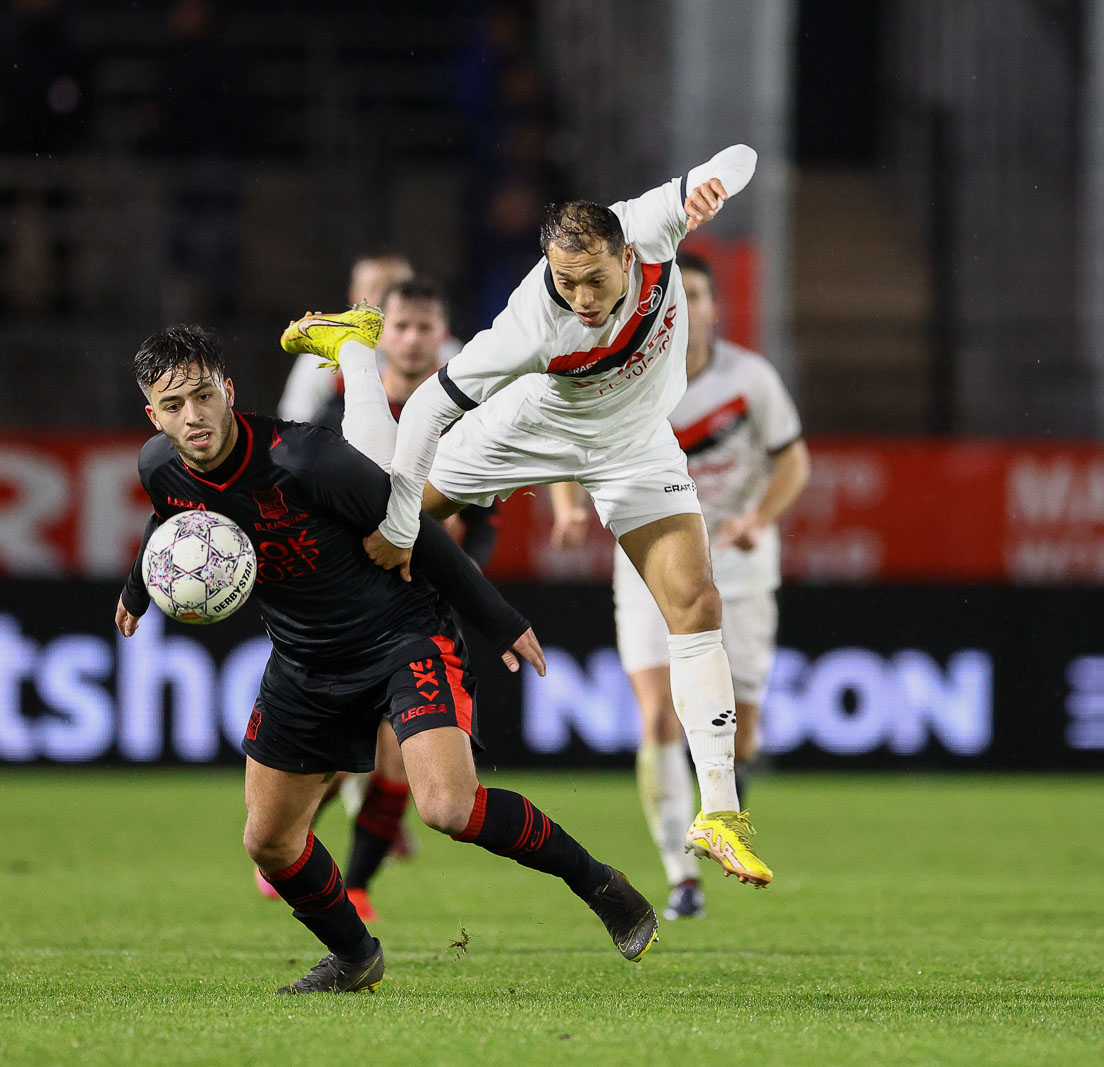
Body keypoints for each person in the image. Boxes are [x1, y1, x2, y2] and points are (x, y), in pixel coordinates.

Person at [115, 324, 657, 994]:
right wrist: (138, 588)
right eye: (174, 406)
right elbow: (170, 516)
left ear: (227, 390)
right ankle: (354, 956)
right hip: (304, 661)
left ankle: (601, 883)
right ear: (154, 415)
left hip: (401, 635)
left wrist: (499, 621)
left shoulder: (304, 458)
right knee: (269, 841)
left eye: (203, 395)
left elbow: (419, 531)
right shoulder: (157, 468)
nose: (193, 415)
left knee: (448, 807)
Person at [306, 144, 776, 887]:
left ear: (629, 254)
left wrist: (714, 186)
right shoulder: (533, 324)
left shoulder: (653, 226)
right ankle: (356, 350)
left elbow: (744, 154)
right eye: (567, 281)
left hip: (635, 446)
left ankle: (717, 812)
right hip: (531, 428)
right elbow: (429, 403)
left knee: (697, 600)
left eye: (595, 280)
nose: (582, 297)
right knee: (377, 514)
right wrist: (401, 525)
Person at [549, 251, 809, 918]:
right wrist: (568, 507)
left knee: (739, 735)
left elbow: (794, 460)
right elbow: (563, 427)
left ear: (717, 306)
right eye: (675, 294)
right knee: (659, 716)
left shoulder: (751, 380)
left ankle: (717, 807)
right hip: (649, 556)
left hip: (739, 566)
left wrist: (759, 517)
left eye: (698, 294)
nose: (686, 305)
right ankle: (680, 873)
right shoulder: (626, 368)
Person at [308, 277, 501, 921]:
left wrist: (456, 575)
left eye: (427, 328)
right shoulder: (343, 406)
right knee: (336, 749)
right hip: (343, 604)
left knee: (397, 751)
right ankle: (289, 846)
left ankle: (356, 886)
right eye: (402, 327)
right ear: (382, 333)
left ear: (443, 334)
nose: (415, 340)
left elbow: (485, 522)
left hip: (419, 609)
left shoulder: (467, 412)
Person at [276, 252, 414, 422]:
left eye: (394, 288)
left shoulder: (444, 351)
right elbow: (295, 421)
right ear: (354, 294)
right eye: (374, 289)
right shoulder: (321, 350)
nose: (384, 299)